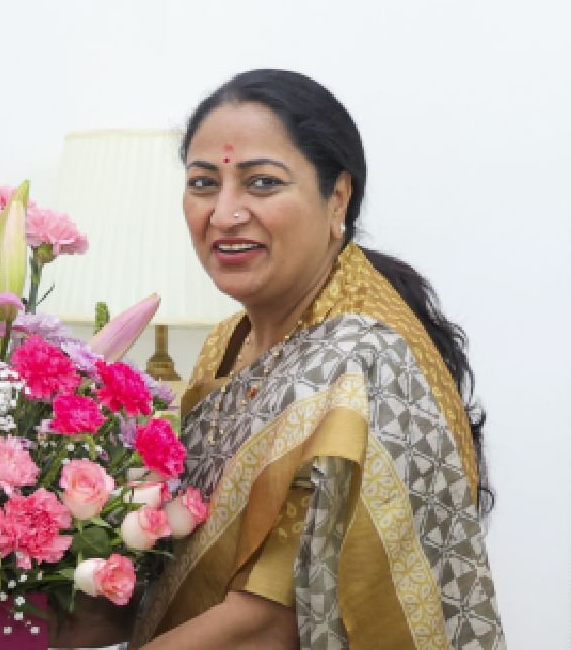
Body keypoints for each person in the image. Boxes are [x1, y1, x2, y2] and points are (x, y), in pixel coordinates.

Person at [53, 69, 505, 649]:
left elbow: (275, 619)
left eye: (261, 183)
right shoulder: (226, 343)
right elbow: (173, 570)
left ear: (336, 196)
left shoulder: (365, 360)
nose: (224, 213)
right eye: (202, 183)